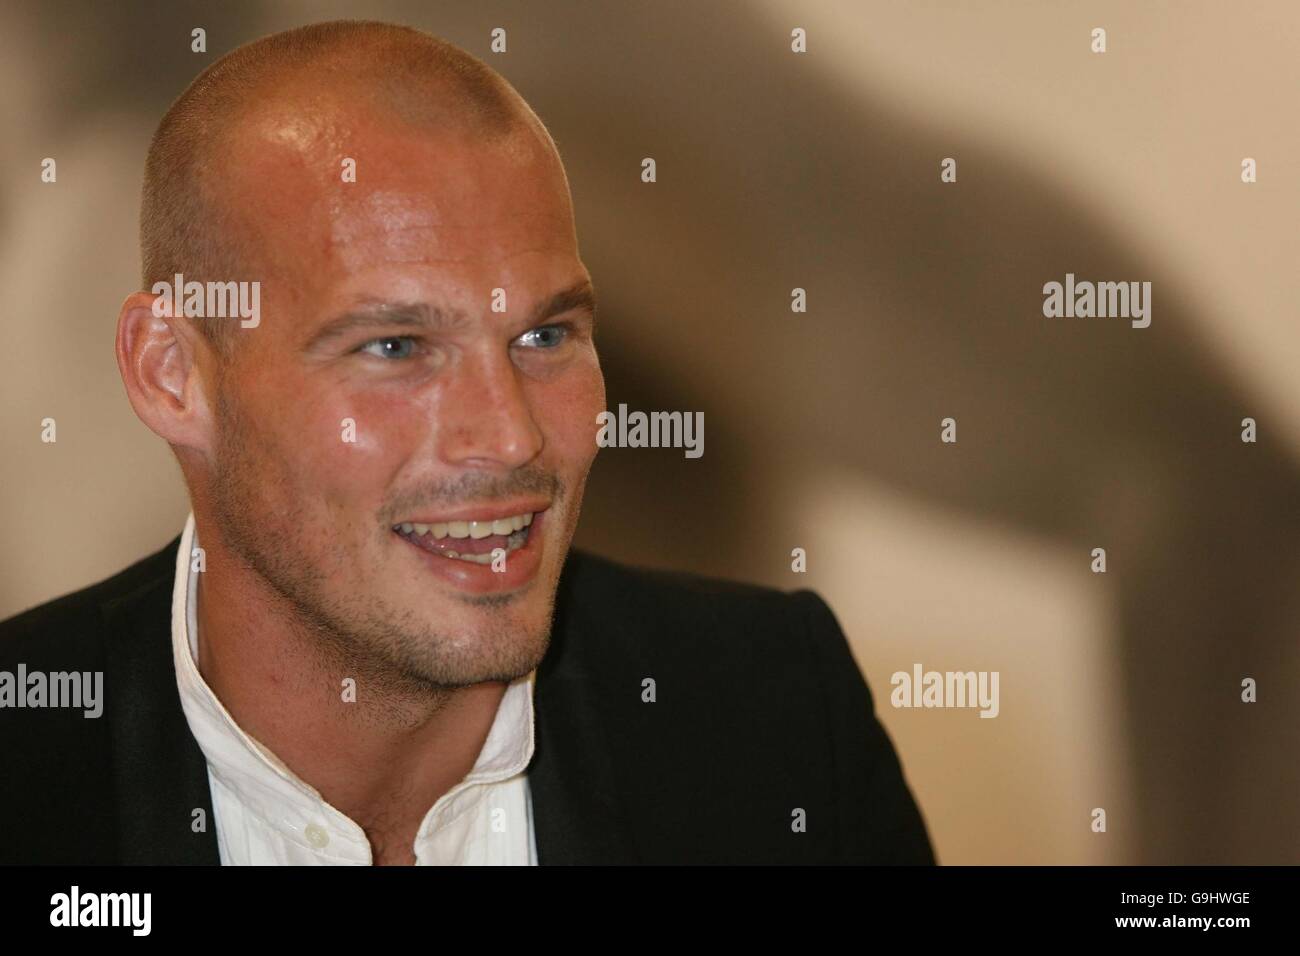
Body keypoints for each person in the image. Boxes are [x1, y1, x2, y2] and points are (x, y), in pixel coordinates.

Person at [0, 20, 933, 865]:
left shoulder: (779, 721)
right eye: (396, 347)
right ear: (171, 375)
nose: (510, 433)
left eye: (547, 336)